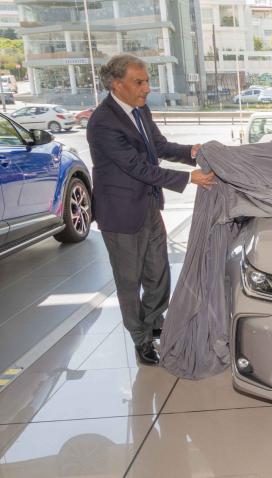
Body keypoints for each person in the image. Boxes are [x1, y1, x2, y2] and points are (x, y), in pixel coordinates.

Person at [87, 54, 216, 365]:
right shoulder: (103, 122)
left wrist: (191, 152)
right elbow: (137, 167)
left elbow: (158, 146)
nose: (147, 88)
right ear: (116, 84)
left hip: (147, 204)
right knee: (129, 280)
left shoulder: (139, 110)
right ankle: (140, 338)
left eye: (147, 81)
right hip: (120, 213)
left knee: (158, 271)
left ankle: (155, 320)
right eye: (139, 82)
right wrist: (188, 178)